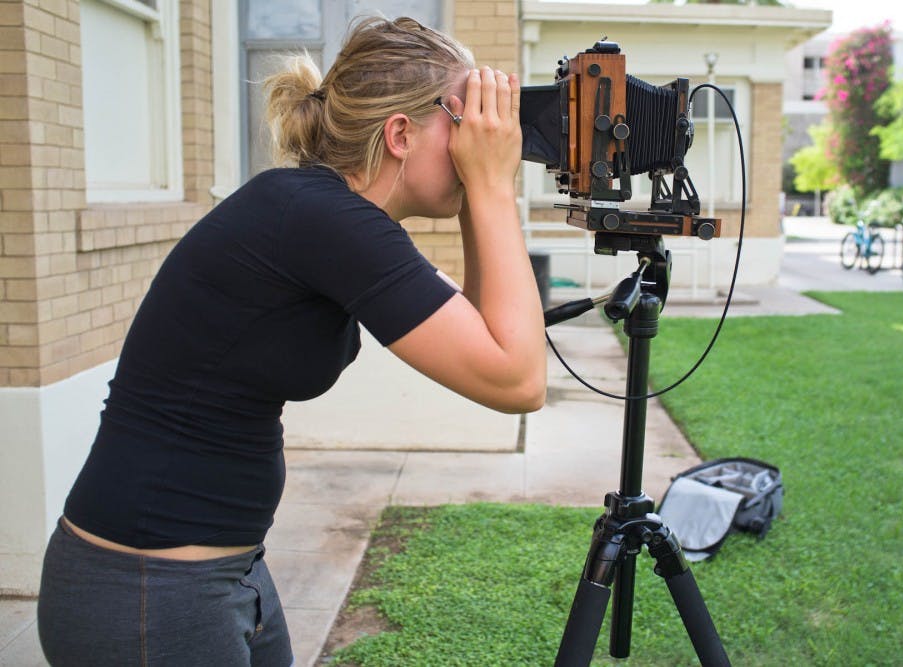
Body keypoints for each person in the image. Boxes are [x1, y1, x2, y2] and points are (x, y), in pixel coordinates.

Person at [37, 16, 545, 666]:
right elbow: (518, 376)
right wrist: (495, 185)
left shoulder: (326, 216)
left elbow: (483, 329)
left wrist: (482, 187)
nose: (479, 133)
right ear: (399, 133)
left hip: (222, 569)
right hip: (147, 585)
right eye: (462, 115)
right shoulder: (320, 218)